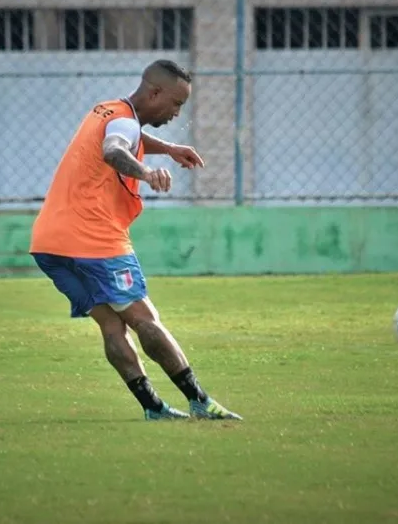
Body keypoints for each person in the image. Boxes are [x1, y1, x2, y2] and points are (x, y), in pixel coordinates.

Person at [29, 59, 242, 421]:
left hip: (50, 244)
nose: (178, 112)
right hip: (93, 240)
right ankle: (200, 402)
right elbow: (115, 149)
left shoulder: (108, 109)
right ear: (155, 92)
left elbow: (129, 135)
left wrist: (170, 149)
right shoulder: (123, 123)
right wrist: (145, 171)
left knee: (112, 325)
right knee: (145, 319)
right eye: (176, 103)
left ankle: (153, 408)